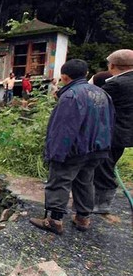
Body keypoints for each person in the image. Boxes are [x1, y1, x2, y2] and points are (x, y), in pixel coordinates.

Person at [29, 59, 114, 234]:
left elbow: (63, 129)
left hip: (74, 149)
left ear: (65, 77)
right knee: (85, 181)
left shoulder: (71, 96)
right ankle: (83, 218)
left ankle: (54, 220)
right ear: (86, 74)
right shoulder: (102, 94)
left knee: (60, 181)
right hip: (97, 148)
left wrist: (55, 154)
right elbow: (110, 122)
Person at [92, 49, 133, 214]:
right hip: (126, 132)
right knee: (109, 163)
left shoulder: (116, 84)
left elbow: (96, 103)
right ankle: (101, 201)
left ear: (113, 65)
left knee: (103, 166)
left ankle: (102, 204)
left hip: (112, 132)